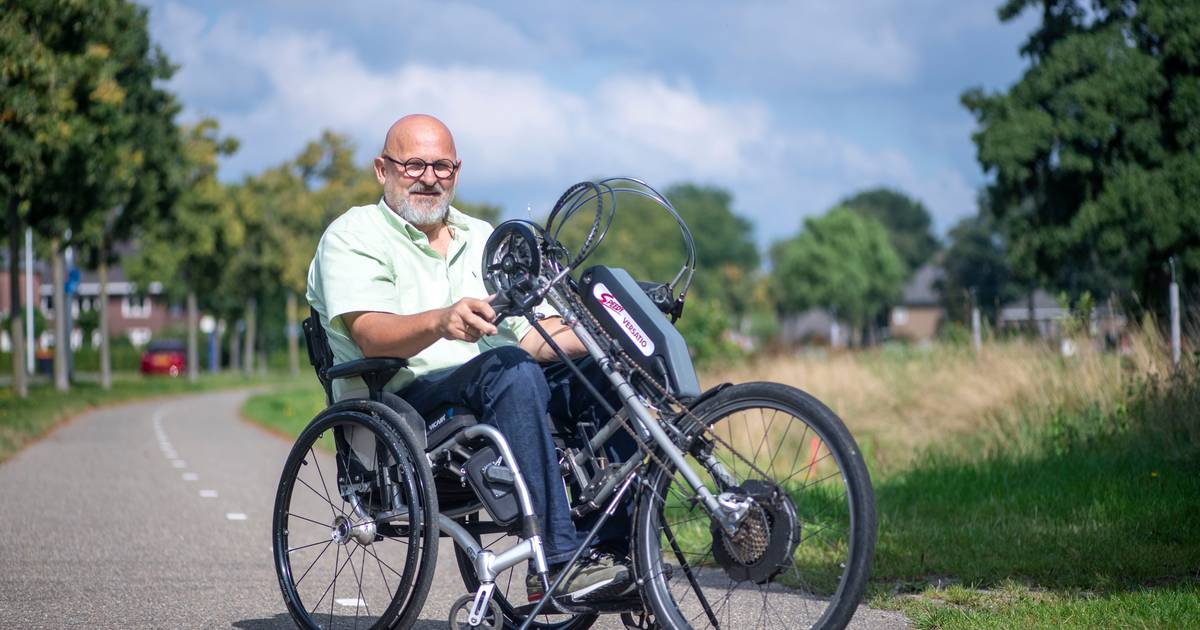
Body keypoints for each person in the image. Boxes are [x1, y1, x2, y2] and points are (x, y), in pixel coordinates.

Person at [306, 114, 634, 604]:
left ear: (457, 171)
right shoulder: (354, 235)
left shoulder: (484, 238)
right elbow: (372, 336)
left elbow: (533, 339)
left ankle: (619, 557)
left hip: (499, 386)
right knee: (510, 370)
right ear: (382, 169)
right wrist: (441, 321)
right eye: (414, 165)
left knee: (604, 374)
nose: (429, 177)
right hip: (403, 405)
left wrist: (612, 334)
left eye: (442, 166)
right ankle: (558, 561)